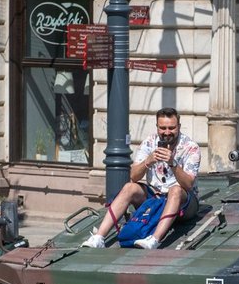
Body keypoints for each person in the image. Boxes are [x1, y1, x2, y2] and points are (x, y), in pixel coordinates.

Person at [82, 107, 200, 249]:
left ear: (179, 127)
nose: (167, 132)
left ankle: (154, 240)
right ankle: (99, 237)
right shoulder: (149, 142)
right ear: (157, 127)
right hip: (156, 197)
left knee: (175, 190)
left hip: (184, 202)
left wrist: (173, 163)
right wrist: (148, 162)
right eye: (162, 128)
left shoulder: (191, 147)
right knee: (129, 187)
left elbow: (188, 184)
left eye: (171, 128)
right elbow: (134, 176)